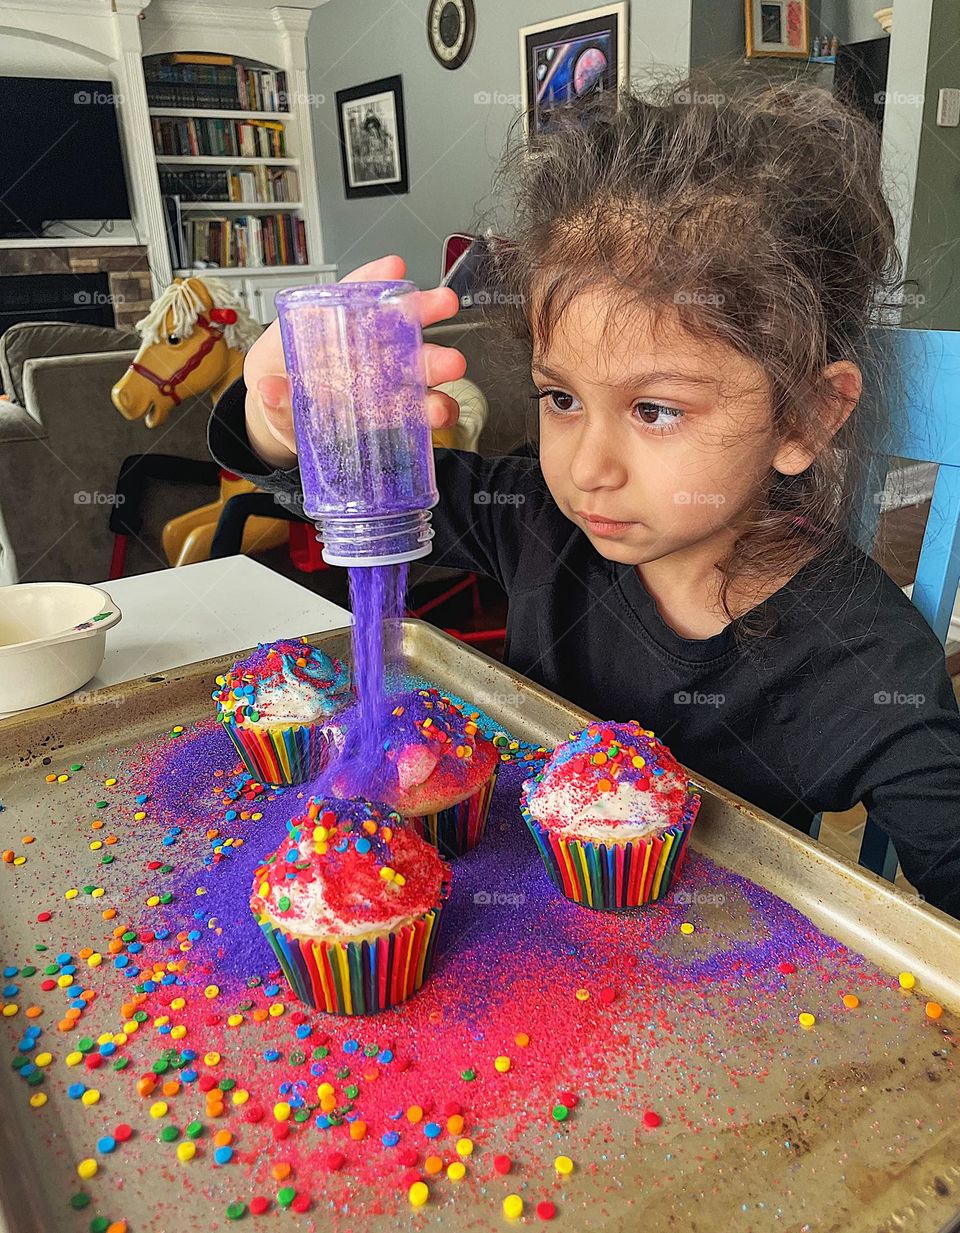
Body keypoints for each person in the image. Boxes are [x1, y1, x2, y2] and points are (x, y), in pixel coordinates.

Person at [208, 74, 960, 917]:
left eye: (655, 409)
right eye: (561, 398)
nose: (587, 467)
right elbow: (330, 492)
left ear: (806, 416)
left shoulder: (857, 656)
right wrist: (284, 417)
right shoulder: (535, 517)